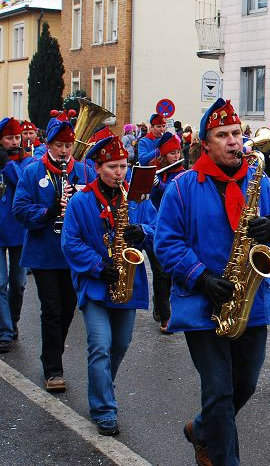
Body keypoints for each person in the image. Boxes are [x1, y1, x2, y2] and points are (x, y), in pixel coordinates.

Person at [154, 98, 270, 466]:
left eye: (236, 133)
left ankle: (202, 429)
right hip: (203, 305)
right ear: (206, 144)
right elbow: (165, 242)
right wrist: (199, 277)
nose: (235, 141)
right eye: (223, 135)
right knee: (218, 391)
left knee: (245, 385)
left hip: (251, 303)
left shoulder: (260, 183)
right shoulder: (183, 187)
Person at [61, 135, 157, 436]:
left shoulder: (137, 199)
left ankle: (102, 384)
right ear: (98, 167)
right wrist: (97, 266)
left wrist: (142, 231)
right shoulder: (80, 201)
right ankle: (104, 409)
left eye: (124, 166)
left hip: (128, 284)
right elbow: (70, 241)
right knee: (100, 346)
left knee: (120, 345)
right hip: (95, 285)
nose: (120, 173)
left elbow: (159, 229)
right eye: (113, 166)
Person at [13, 110, 95, 392]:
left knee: (68, 311)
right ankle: (53, 368)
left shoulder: (85, 171)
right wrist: (49, 211)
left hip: (74, 255)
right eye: (58, 146)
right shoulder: (33, 172)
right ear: (48, 145)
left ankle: (52, 354)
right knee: (51, 309)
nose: (63, 151)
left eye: (68, 146)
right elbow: (20, 210)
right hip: (45, 253)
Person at [0, 118, 35, 352]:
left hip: (20, 230)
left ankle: (12, 322)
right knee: (0, 283)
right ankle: (4, 331)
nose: (14, 142)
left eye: (16, 137)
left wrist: (5, 164)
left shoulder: (28, 162)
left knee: (19, 284)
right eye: (9, 138)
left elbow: (21, 180)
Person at [147, 132, 184, 333]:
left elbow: (173, 192)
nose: (177, 157)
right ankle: (166, 315)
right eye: (172, 153)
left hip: (176, 225)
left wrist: (159, 185)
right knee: (161, 272)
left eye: (178, 152)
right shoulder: (156, 168)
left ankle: (163, 304)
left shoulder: (182, 172)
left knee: (171, 272)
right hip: (155, 224)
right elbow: (144, 194)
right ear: (164, 154)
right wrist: (150, 180)